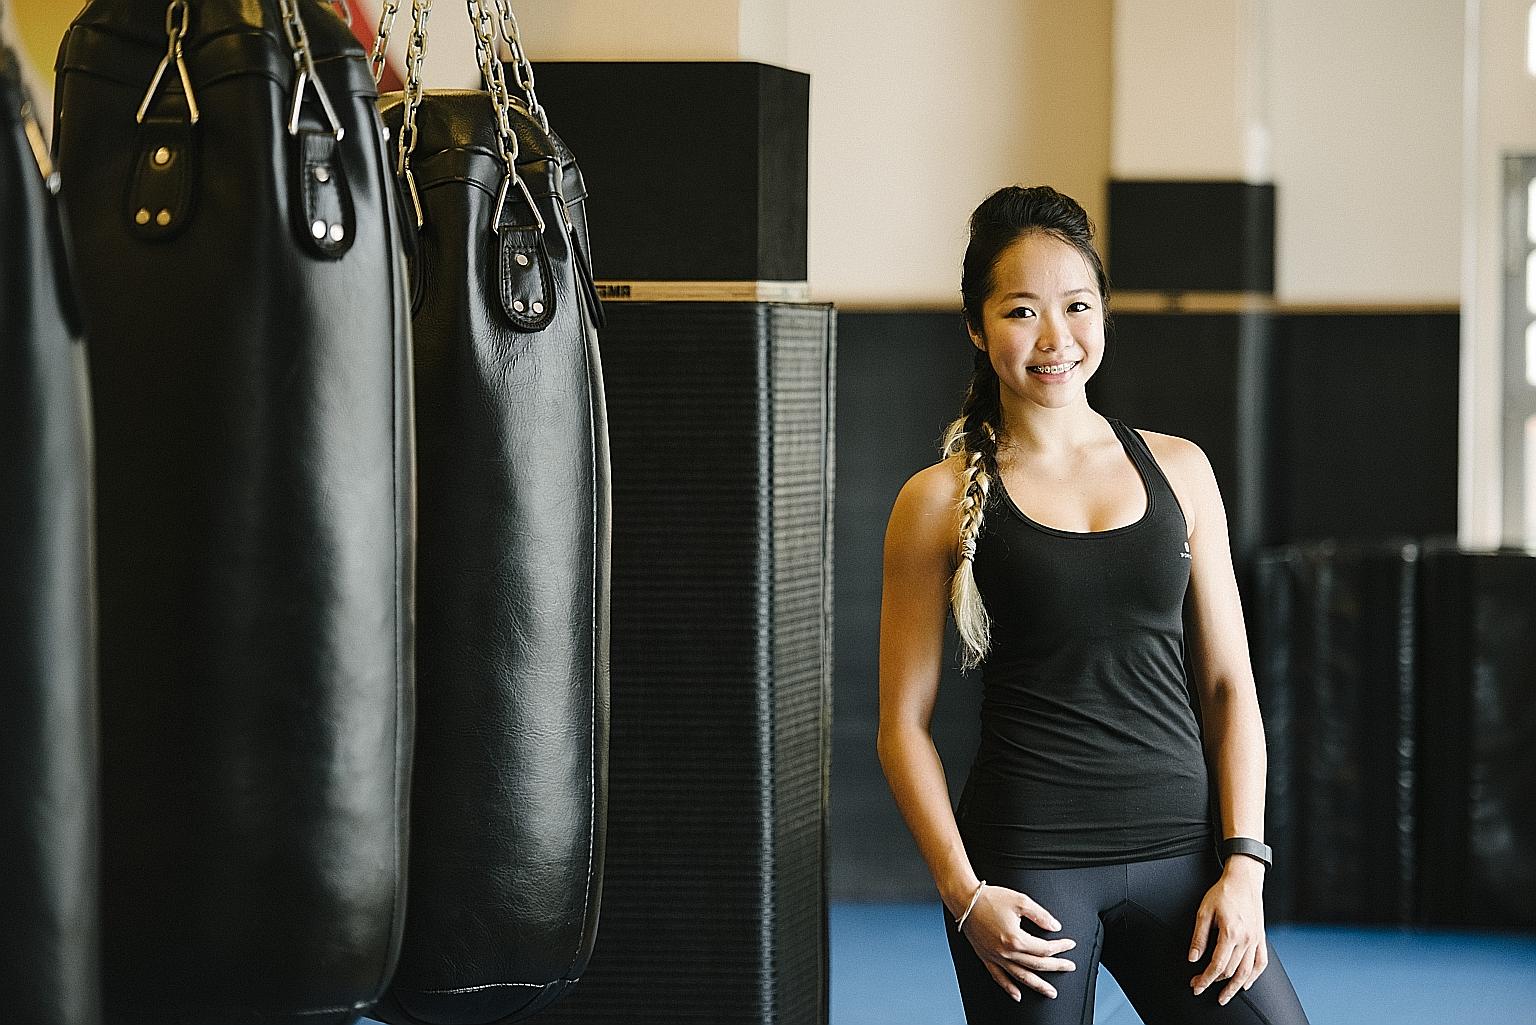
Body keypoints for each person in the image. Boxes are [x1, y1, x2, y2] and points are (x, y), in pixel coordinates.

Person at [876, 185, 1311, 1025]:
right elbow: (901, 726)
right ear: (975, 326)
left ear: (1103, 313)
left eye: (1077, 306)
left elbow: (1229, 689)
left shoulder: (1182, 469)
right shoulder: (934, 500)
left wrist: (1245, 864)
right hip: (1027, 876)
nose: (1054, 338)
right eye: (1020, 311)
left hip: (1186, 860)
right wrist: (967, 897)